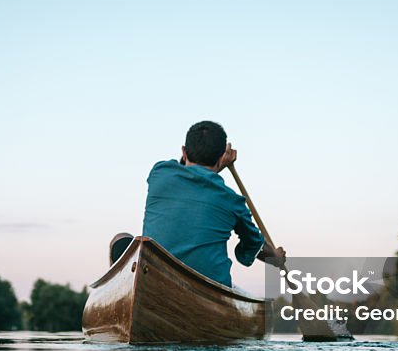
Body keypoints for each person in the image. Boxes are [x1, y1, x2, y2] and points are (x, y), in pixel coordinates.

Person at [111, 121, 284, 287]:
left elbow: (188, 175)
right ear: (220, 158)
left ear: (184, 152)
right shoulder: (233, 201)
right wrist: (274, 257)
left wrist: (215, 164)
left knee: (120, 239)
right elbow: (254, 246)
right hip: (209, 288)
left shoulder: (160, 172)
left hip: (155, 280)